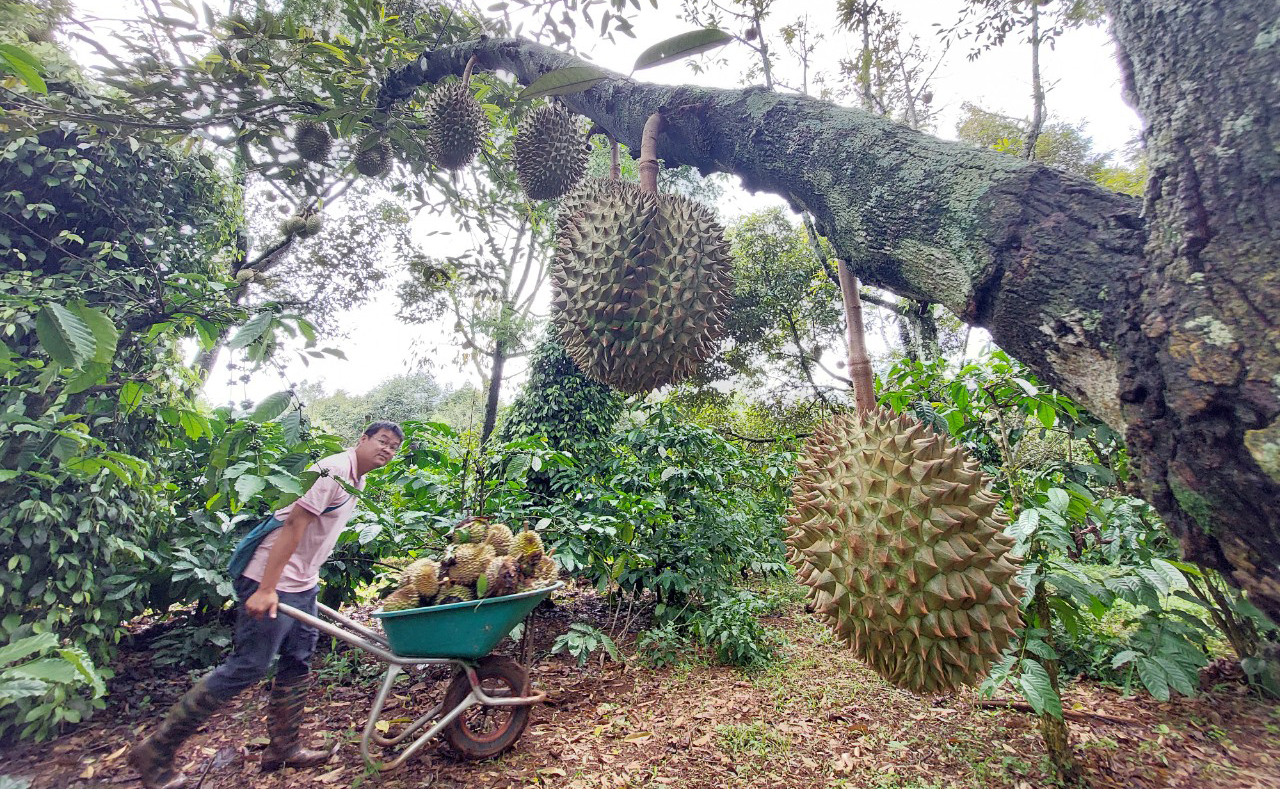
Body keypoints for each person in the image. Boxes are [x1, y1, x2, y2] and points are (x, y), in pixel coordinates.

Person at [128, 421, 404, 789]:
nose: (386, 450)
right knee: (248, 665)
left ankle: (282, 749)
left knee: (298, 659)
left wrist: (307, 581)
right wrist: (267, 589)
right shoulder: (333, 470)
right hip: (270, 579)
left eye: (394, 448)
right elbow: (293, 524)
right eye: (382, 442)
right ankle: (157, 749)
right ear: (363, 440)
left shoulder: (357, 481)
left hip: (302, 583)